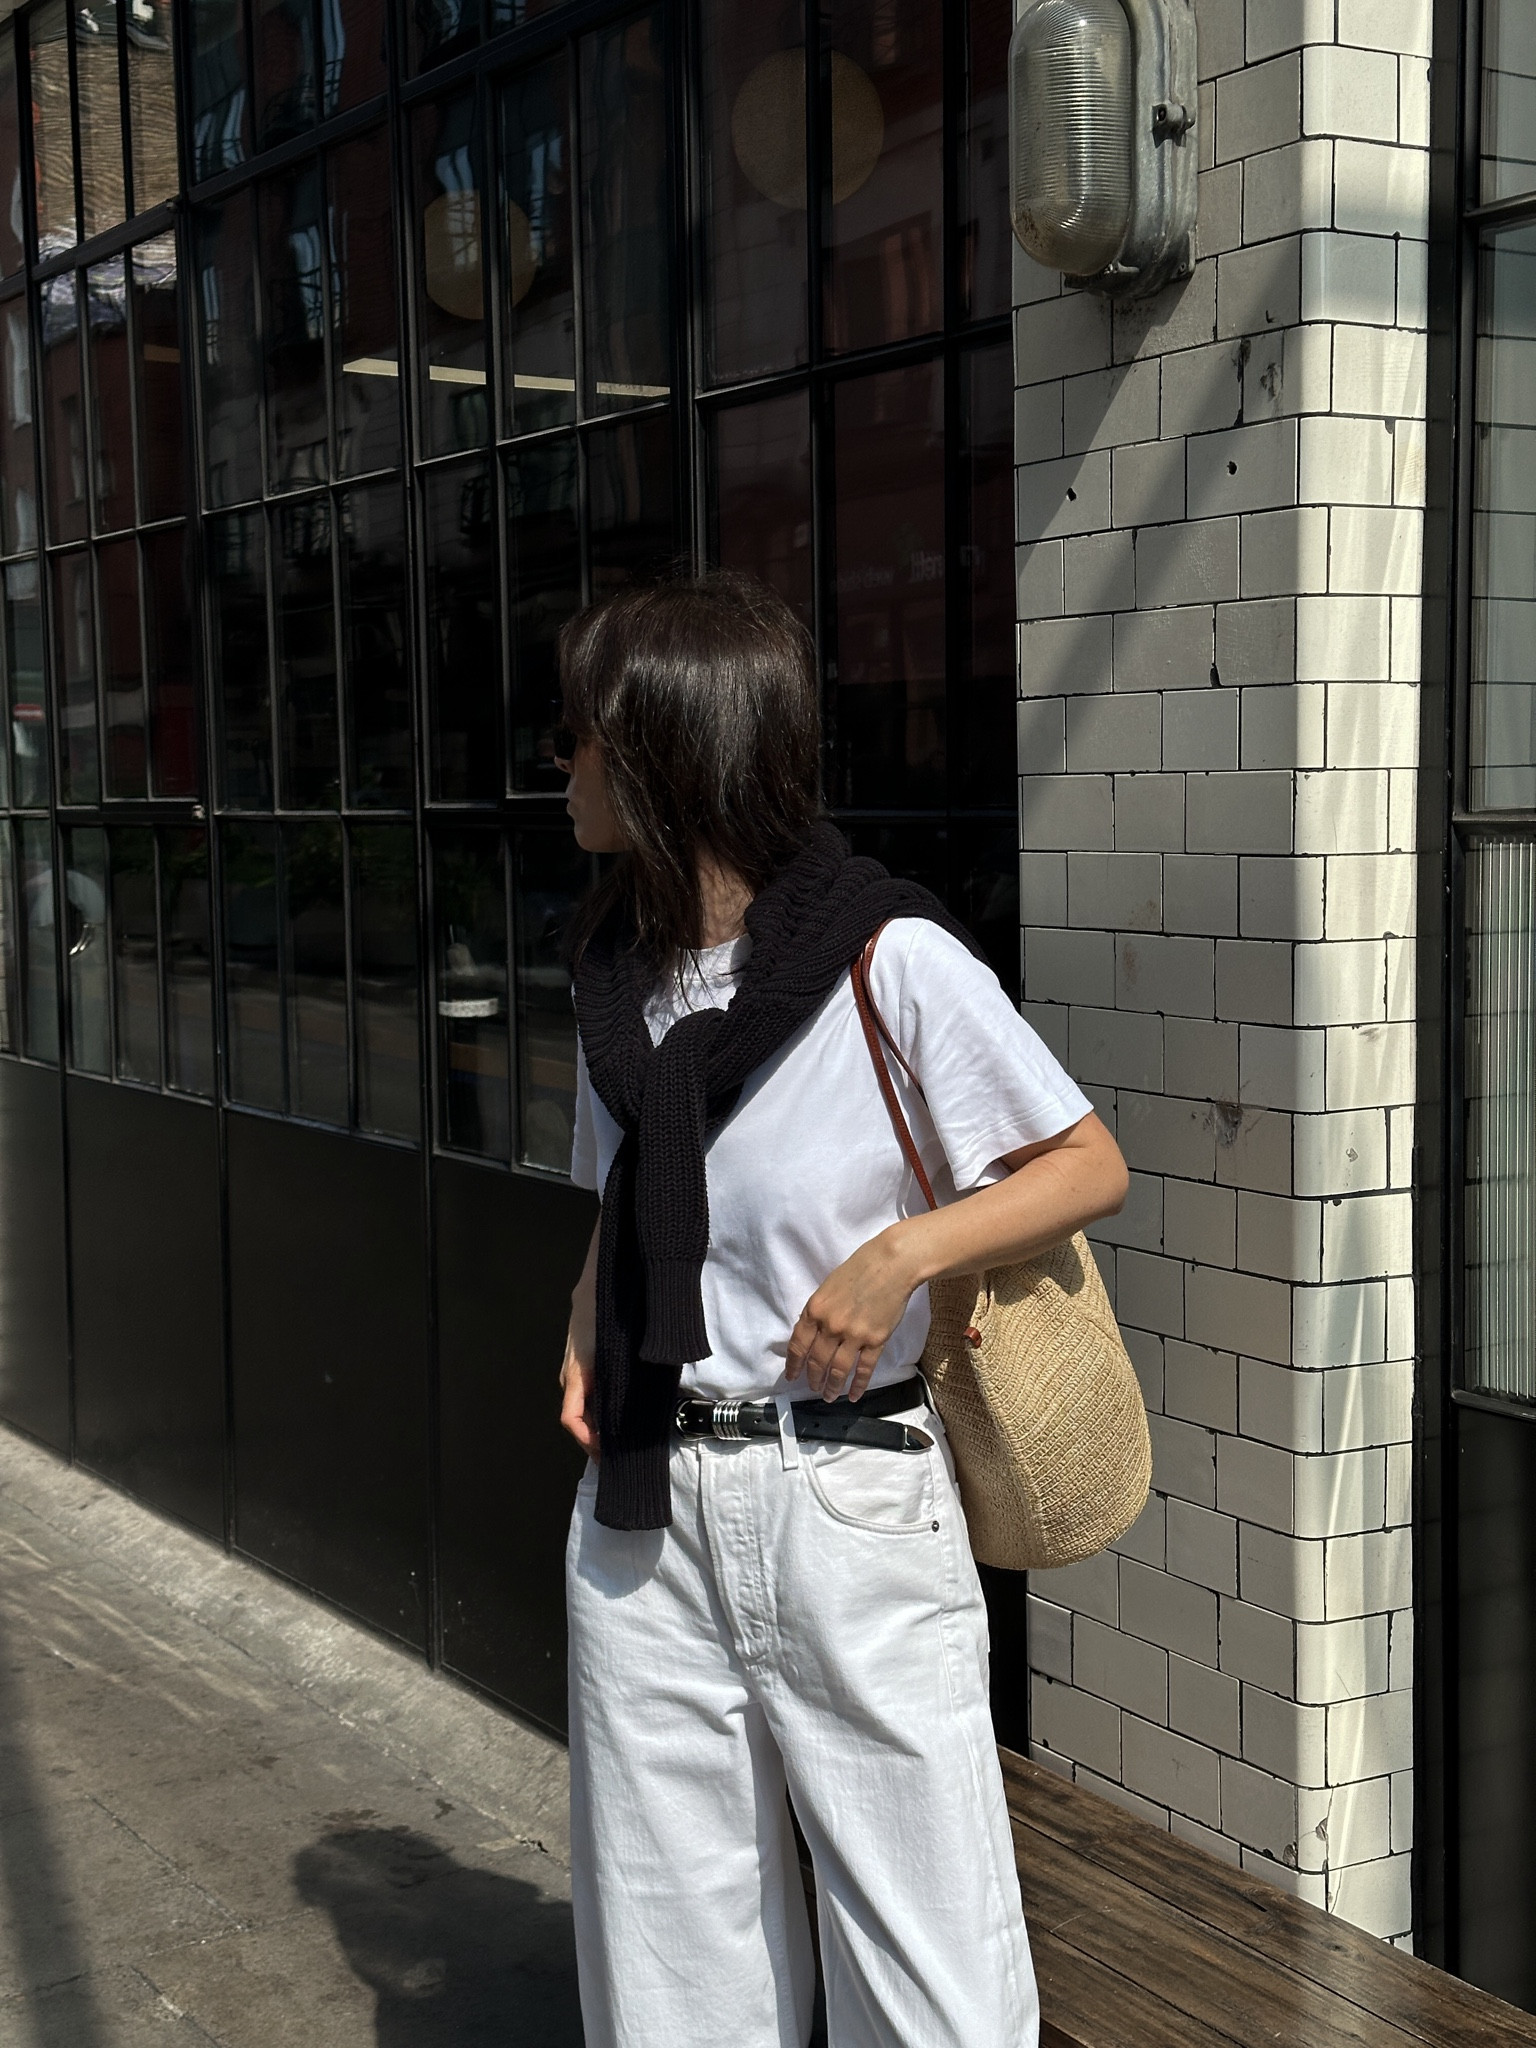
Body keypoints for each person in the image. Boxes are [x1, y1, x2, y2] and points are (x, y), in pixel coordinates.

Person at [555, 571, 1128, 2048]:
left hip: (848, 1493)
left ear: (664, 750)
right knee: (671, 1966)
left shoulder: (889, 957)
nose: (561, 767)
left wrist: (899, 1259)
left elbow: (1086, 1165)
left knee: (928, 1978)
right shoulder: (616, 978)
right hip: (645, 1504)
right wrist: (585, 1318)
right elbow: (626, 1193)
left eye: (580, 736)